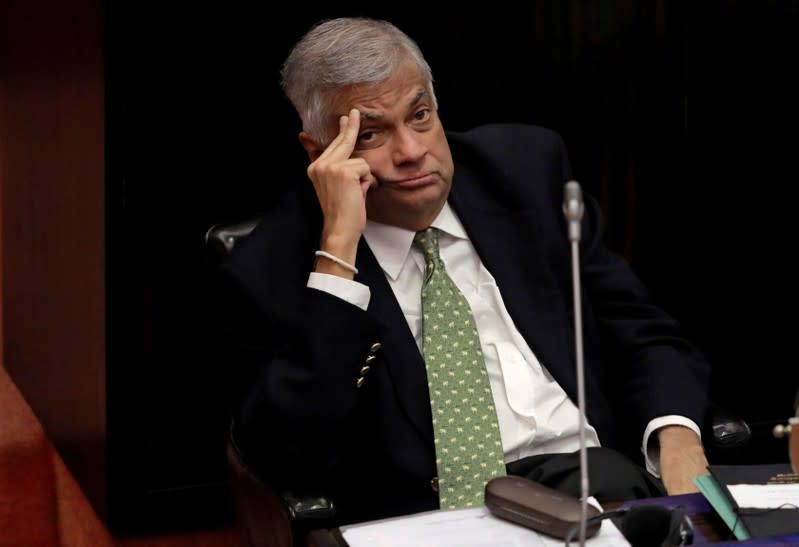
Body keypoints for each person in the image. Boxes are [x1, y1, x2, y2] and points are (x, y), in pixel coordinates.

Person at [216, 16, 710, 527]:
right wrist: (339, 252)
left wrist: (677, 439)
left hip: (595, 486)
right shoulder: (273, 265)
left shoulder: (524, 175)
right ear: (320, 152)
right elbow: (288, 453)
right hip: (429, 519)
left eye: (421, 116)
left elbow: (642, 333)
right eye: (370, 134)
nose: (411, 152)